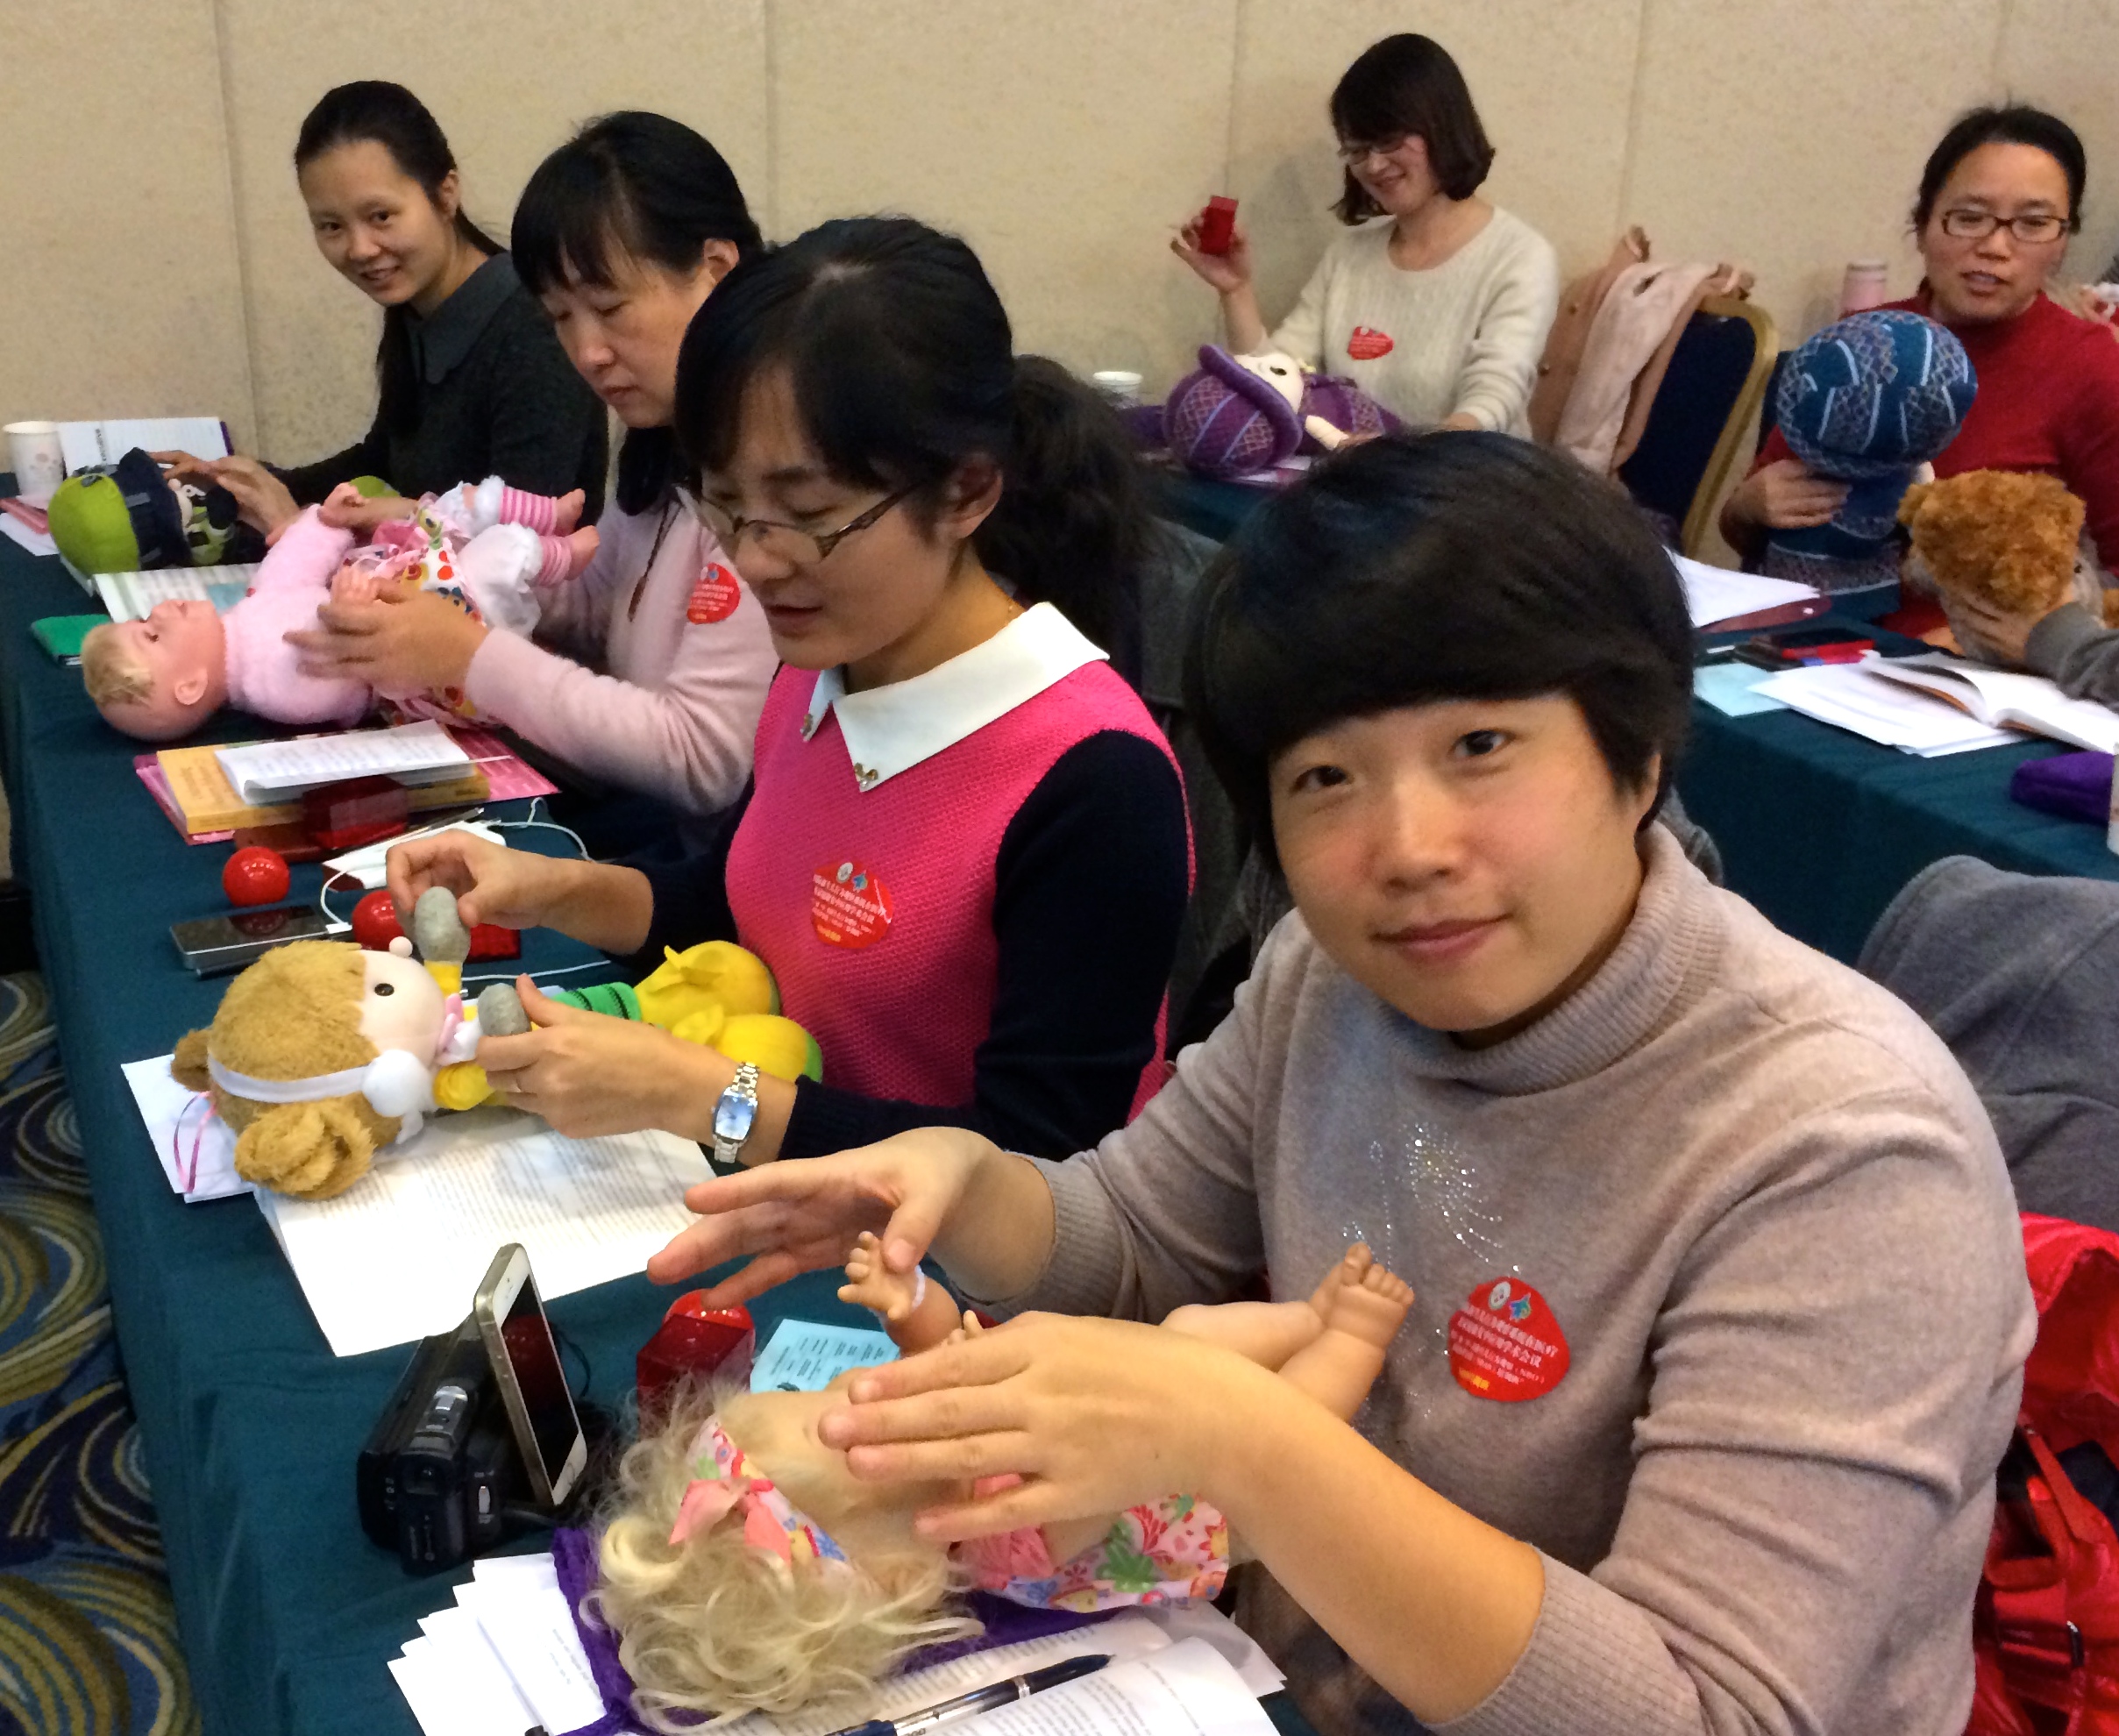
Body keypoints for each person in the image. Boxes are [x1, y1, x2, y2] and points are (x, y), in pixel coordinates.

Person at [639, 435, 2033, 1736]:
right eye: (1325, 778)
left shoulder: (1843, 1146)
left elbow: (1713, 1711)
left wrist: (1242, 1443)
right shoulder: (1331, 975)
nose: (1408, 848)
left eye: (1480, 747)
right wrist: (963, 1182)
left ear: (1639, 748)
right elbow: (1135, 1237)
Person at [387, 217, 1191, 1167]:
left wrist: (701, 1098)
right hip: (776, 1199)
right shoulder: (819, 671)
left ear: (968, 492)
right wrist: (550, 888)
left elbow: (1043, 1171)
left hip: (931, 1254)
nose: (758, 561)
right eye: (727, 505)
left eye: (808, 515)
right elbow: (740, 903)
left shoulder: (1094, 781)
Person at [286, 113, 779, 831]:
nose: (588, 353)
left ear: (716, 270)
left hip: (699, 858)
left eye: (609, 308)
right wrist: (440, 578)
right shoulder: (668, 438)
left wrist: (469, 654)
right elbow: (598, 602)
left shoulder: (770, 474)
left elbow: (702, 760)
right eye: (561, 318)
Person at [165, 82, 608, 538]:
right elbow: (384, 460)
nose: (360, 248)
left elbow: (519, 536)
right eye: (331, 226)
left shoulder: (533, 325)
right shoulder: (419, 310)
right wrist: (245, 482)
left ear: (446, 194)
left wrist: (294, 528)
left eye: (381, 216)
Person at [1726, 104, 2119, 571]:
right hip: (1810, 608)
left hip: (1978, 620)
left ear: (2063, 243)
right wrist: (1747, 506)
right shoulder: (1862, 341)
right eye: (1969, 217)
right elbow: (1746, 533)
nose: (1995, 247)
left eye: (2033, 224)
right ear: (1923, 224)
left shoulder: (2094, 367)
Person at [1172, 33, 1558, 435]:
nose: (1373, 166)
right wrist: (1236, 291)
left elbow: (1492, 403)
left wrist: (1385, 454)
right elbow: (1279, 387)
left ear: (1442, 126)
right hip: (1358, 471)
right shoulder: (1348, 258)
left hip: (1469, 473)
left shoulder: (1520, 257)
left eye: (1389, 141)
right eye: (1357, 149)